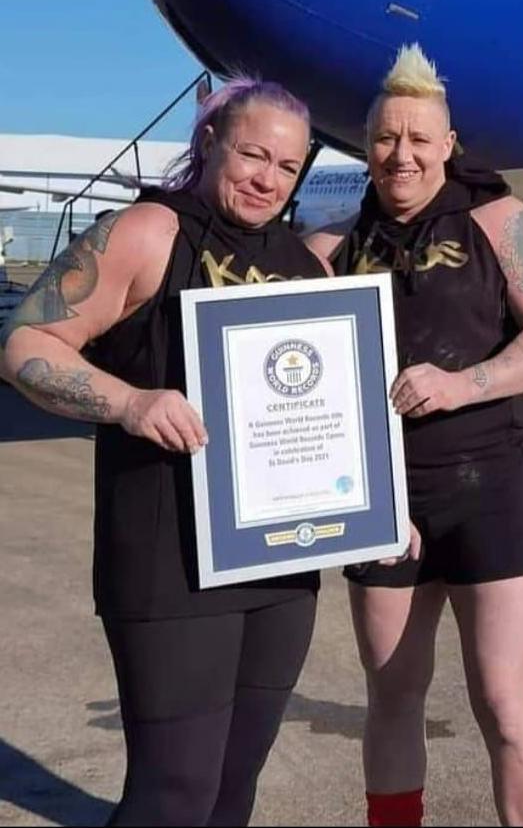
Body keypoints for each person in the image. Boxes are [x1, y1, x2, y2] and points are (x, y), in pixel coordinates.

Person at [0, 77, 330, 827]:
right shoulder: (148, 231)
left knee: (233, 787)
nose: (267, 178)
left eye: (286, 166)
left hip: (281, 561)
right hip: (168, 561)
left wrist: (376, 504)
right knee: (172, 795)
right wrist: (130, 401)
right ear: (209, 143)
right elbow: (25, 345)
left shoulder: (305, 265)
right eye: (251, 154)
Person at [307, 45, 523, 828]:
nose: (403, 154)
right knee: (392, 694)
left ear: (448, 145)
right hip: (382, 500)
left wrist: (462, 384)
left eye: (420, 139)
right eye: (387, 138)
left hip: (488, 488)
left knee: (505, 701)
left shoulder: (502, 220)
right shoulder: (333, 246)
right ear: (366, 145)